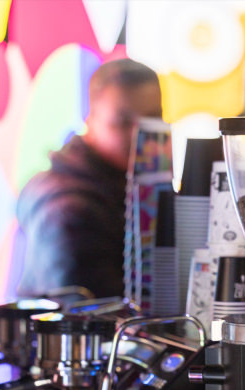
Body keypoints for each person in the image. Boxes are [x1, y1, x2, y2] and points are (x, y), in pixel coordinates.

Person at [15, 58, 163, 299]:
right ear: (90, 120)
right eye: (123, 122)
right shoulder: (69, 210)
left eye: (153, 119)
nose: (140, 135)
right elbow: (87, 310)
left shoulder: (128, 185)